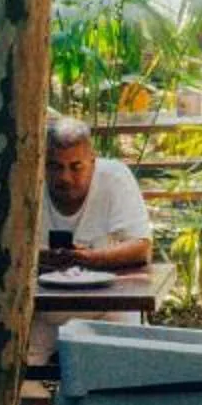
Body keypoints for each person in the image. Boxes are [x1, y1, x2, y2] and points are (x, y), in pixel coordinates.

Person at [30, 116, 154, 365]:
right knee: (17, 369)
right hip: (42, 311)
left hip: (109, 304)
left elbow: (141, 248)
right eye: (55, 167)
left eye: (76, 167)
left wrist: (89, 258)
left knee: (125, 368)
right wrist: (41, 258)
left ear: (92, 162)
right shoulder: (27, 182)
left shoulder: (114, 177)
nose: (65, 177)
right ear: (42, 164)